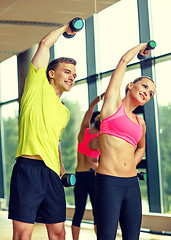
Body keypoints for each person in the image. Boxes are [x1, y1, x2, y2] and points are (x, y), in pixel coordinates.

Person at [8, 20, 79, 240]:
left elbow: (54, 142)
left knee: (58, 232)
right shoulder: (36, 86)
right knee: (23, 234)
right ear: (50, 74)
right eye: (67, 72)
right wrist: (66, 27)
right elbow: (45, 43)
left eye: (74, 75)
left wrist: (61, 169)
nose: (71, 78)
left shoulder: (64, 112)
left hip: (52, 174)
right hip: (28, 169)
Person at [95, 43, 156, 240]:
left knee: (132, 237)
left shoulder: (141, 122)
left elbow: (142, 147)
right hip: (109, 182)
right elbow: (122, 62)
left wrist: (132, 163)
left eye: (151, 93)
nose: (147, 92)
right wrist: (141, 47)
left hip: (131, 184)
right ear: (131, 85)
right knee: (106, 236)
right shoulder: (112, 107)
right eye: (144, 86)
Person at [71, 93, 105, 240]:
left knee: (79, 211)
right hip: (92, 176)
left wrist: (98, 99)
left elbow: (89, 109)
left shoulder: (83, 132)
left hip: (79, 174)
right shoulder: (102, 140)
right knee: (97, 212)